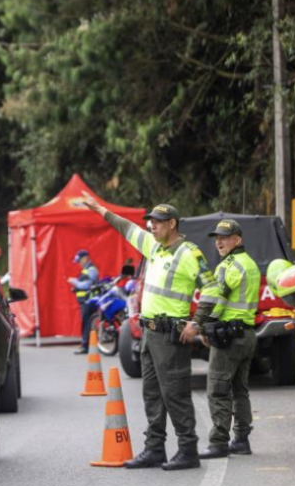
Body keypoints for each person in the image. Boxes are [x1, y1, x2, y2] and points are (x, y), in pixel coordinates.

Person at [81, 192, 216, 471]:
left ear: (173, 224)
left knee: (175, 393)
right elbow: (125, 227)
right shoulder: (153, 247)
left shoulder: (189, 252)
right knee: (152, 393)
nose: (152, 226)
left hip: (170, 335)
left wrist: (197, 322)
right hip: (149, 333)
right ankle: (155, 448)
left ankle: (187, 449)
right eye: (151, 222)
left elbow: (212, 288)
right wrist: (99, 209)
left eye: (158, 222)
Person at [180, 219, 260, 459]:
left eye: (225, 237)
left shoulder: (228, 266)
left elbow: (214, 299)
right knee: (240, 390)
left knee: (218, 390)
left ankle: (218, 443)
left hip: (229, 338)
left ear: (238, 239)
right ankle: (242, 440)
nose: (219, 242)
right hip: (247, 334)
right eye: (217, 238)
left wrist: (201, 327)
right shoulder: (251, 264)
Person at [68, 249, 100, 355]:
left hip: (88, 301)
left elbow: (87, 285)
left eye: (80, 261)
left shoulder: (91, 269)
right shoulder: (87, 269)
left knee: (86, 324)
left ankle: (85, 346)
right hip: (85, 301)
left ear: (85, 258)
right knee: (87, 323)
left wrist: (75, 282)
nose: (79, 264)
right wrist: (76, 288)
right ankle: (86, 344)